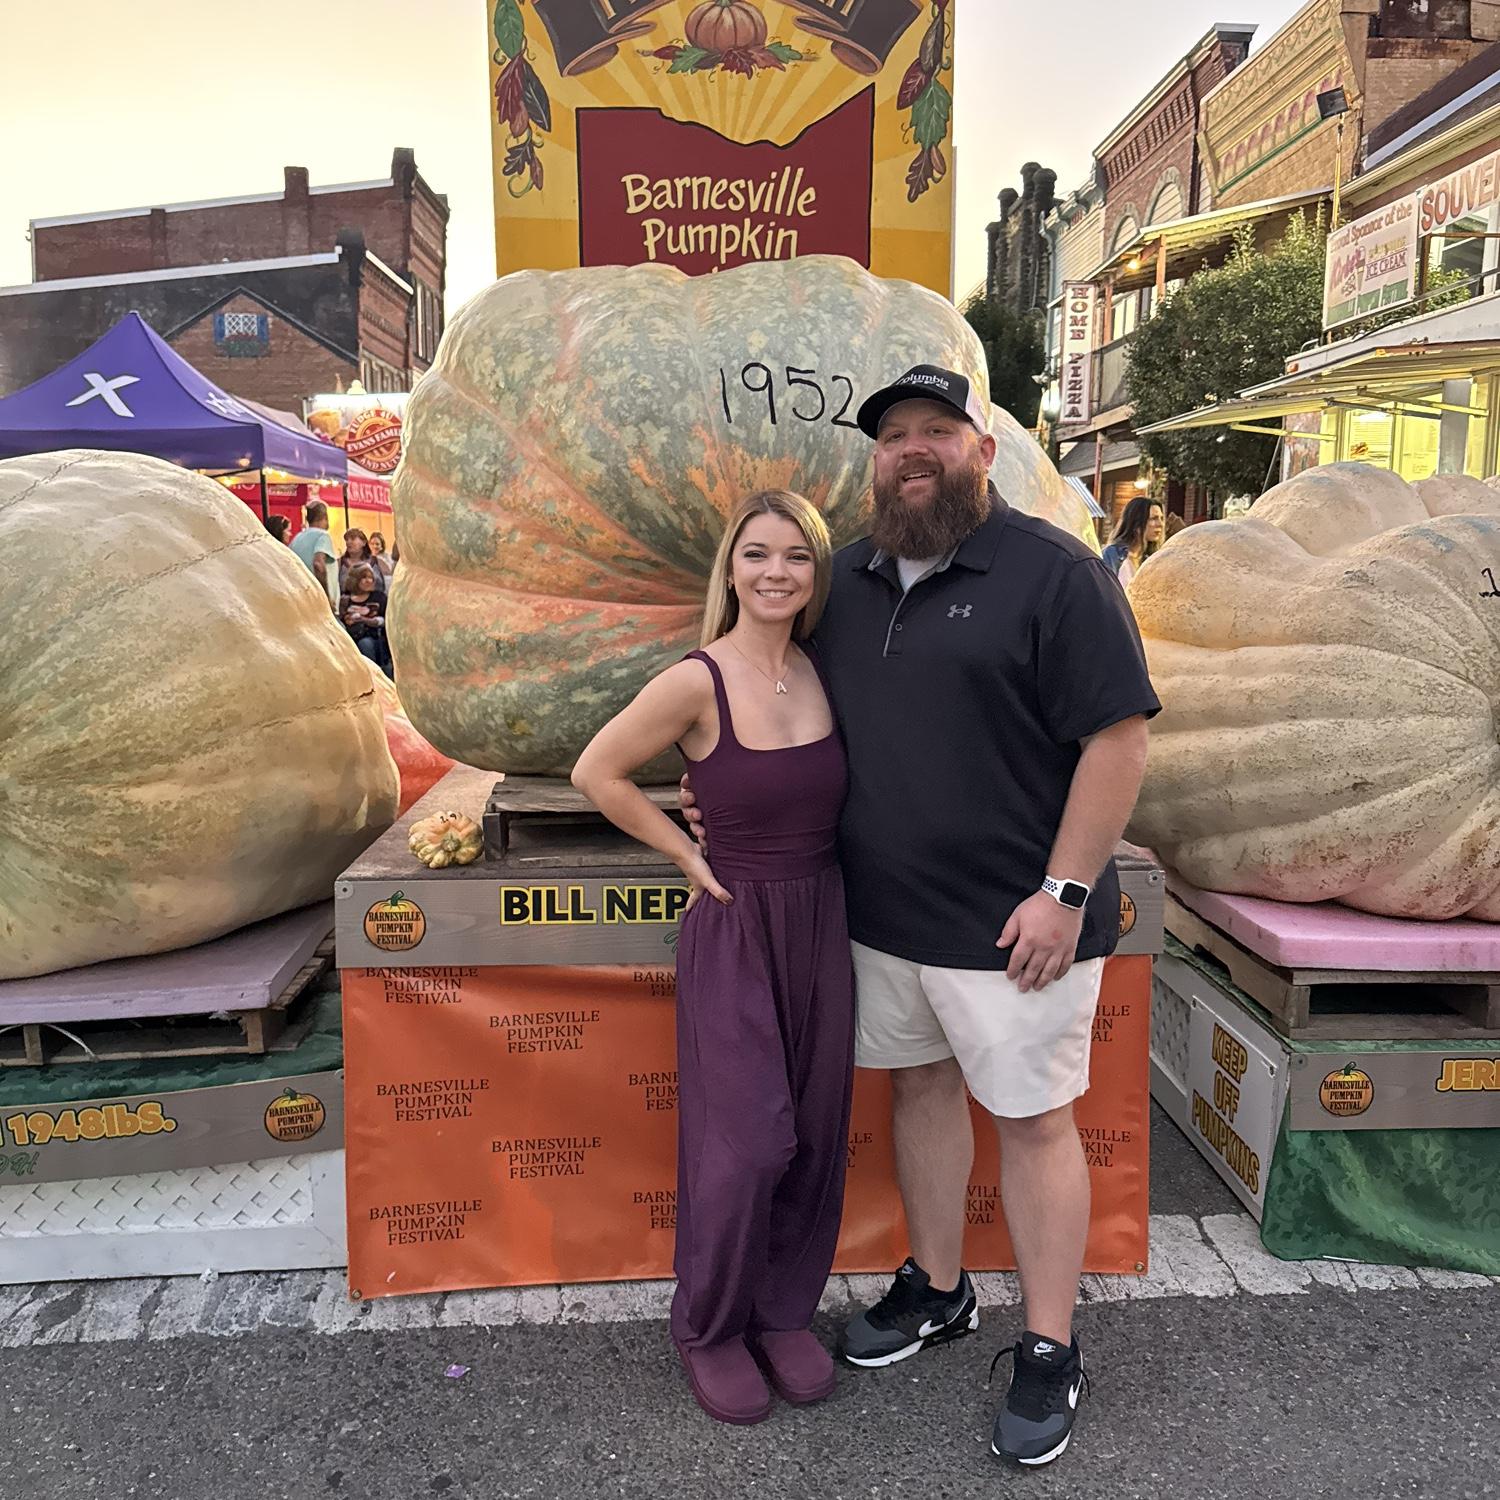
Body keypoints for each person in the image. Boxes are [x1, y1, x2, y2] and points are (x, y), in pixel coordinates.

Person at [684, 366, 1159, 1468]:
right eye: (894, 433)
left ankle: (1049, 1346)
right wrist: (711, 792)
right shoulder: (841, 582)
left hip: (1018, 928)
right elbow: (766, 696)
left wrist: (1065, 893)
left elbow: (1120, 739)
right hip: (879, 920)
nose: (913, 449)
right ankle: (940, 1287)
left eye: (937, 430)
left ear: (983, 451)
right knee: (922, 1091)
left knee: (1035, 1123)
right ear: (876, 459)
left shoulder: (1055, 575)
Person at [573, 491, 854, 1429]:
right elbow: (597, 771)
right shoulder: (697, 680)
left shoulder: (823, 671)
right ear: (730, 569)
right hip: (736, 924)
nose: (777, 572)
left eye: (798, 557)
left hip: (823, 917)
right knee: (747, 1144)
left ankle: (782, 1314)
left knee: (813, 1131)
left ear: (817, 574)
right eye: (757, 554)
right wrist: (684, 852)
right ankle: (709, 1327)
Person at [1100, 496, 1165, 586]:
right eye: (1154, 518)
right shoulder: (1113, 554)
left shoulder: (1151, 559)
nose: (1160, 524)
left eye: (1161, 518)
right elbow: (1104, 588)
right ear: (1136, 522)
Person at [339, 563, 390, 673]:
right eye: (364, 577)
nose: (368, 581)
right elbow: (341, 621)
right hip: (350, 637)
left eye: (371, 577)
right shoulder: (345, 599)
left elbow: (384, 620)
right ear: (354, 580)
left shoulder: (379, 597)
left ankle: (373, 674)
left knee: (365, 644)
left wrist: (364, 620)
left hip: (373, 637)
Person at [290, 500, 339, 609]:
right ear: (325, 517)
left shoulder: (297, 538)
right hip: (320, 602)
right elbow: (318, 564)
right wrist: (326, 597)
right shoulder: (323, 536)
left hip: (301, 598)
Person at [338, 528, 385, 595]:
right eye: (347, 540)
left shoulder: (377, 561)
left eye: (353, 539)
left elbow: (384, 585)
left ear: (364, 542)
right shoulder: (340, 562)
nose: (348, 542)